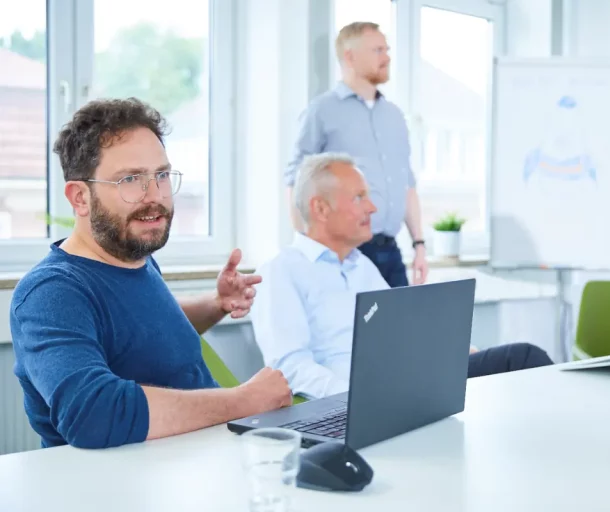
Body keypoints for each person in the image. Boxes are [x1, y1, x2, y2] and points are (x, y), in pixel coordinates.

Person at [10, 98, 292, 450]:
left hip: (203, 464)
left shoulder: (133, 256)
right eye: (130, 179)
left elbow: (145, 332)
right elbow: (94, 415)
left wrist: (216, 303)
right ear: (80, 197)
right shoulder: (51, 293)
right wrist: (245, 401)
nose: (155, 196)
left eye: (160, 175)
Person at [255, 153, 552, 399]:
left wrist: (450, 349)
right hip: (367, 398)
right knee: (524, 359)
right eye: (359, 197)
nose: (372, 207)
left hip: (409, 383)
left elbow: (401, 334)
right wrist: (353, 398)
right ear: (320, 207)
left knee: (521, 364)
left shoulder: (362, 267)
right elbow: (289, 366)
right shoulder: (281, 271)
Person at [284, 21, 428, 288]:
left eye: (387, 49)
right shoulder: (322, 111)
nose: (387, 57)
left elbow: (406, 184)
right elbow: (295, 180)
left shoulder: (395, 116)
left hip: (390, 252)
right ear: (349, 56)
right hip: (344, 252)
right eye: (377, 50)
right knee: (346, 330)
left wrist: (419, 244)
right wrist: (308, 249)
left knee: (403, 329)